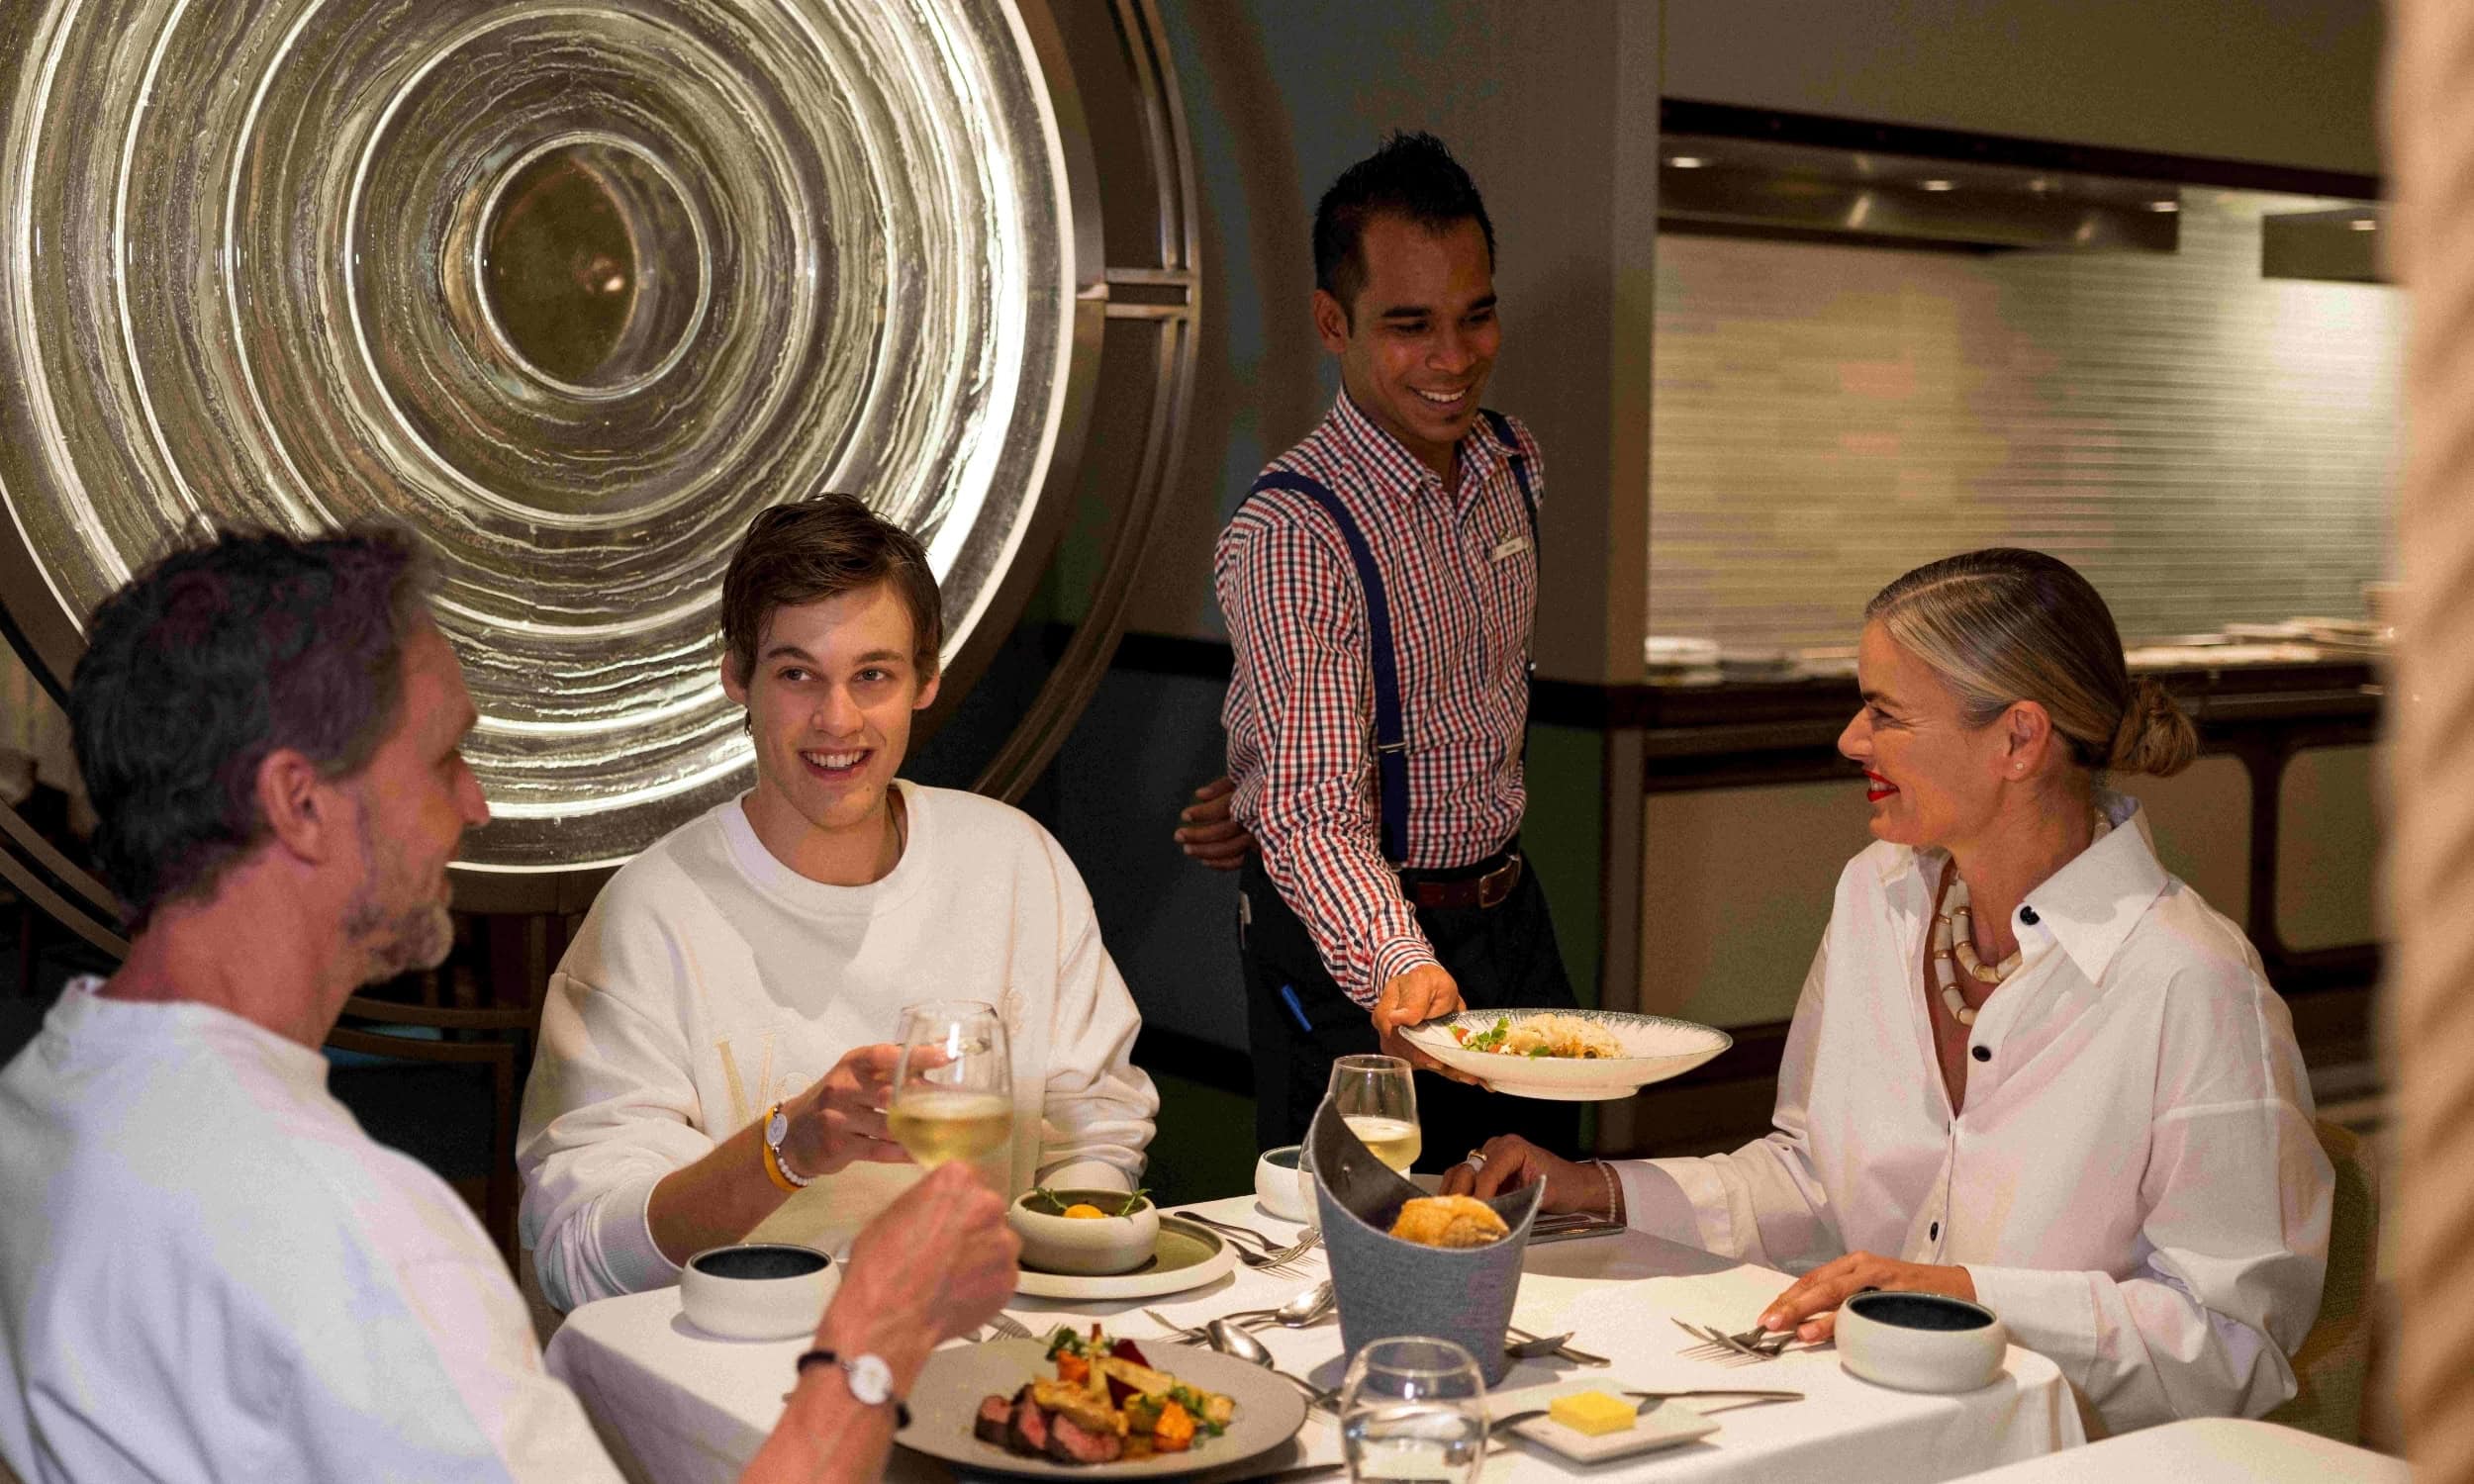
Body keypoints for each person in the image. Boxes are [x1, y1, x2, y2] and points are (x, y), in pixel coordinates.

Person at [0, 528, 1020, 1483]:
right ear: (299, 803)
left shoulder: (41, 1102)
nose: (475, 804)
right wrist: (873, 1341)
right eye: (443, 757)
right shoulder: (356, 1235)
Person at [1443, 549, 2332, 1434]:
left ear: (2019, 740)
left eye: (1885, 713)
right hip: (1864, 1417)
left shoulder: (2194, 981)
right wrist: (1597, 1190)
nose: (1850, 739)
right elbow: (1813, 1183)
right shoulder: (1877, 894)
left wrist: (1968, 1298)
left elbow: (2234, 1348)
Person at [519, 494, 1158, 1311]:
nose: (837, 718)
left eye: (872, 675)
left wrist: (1067, 1267)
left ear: (925, 680)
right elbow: (579, 1258)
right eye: (797, 674)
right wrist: (786, 1150)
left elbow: (1095, 1126)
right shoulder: (652, 915)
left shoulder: (1015, 864)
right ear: (737, 678)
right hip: (743, 1355)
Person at [1210, 131, 1579, 1159]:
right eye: (1410, 326)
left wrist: (1250, 767)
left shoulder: (1514, 462)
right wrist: (1396, 961)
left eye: (1475, 316)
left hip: (1509, 914)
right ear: (1333, 323)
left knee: (1543, 1204)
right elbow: (1308, 807)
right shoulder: (1294, 532)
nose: (1453, 359)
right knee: (1368, 1222)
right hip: (1362, 943)